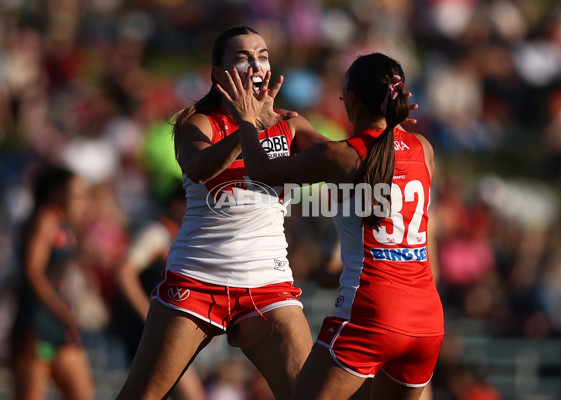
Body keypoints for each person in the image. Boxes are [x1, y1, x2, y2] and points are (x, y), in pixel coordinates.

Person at [217, 52, 445, 399]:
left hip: (372, 309)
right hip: (427, 319)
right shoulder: (424, 149)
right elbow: (377, 157)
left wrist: (247, 120)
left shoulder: (344, 156)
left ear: (351, 99)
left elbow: (262, 170)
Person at [116, 25, 327, 400]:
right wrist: (247, 126)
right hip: (197, 278)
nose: (256, 64)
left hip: (267, 282)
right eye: (243, 57)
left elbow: (335, 157)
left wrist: (381, 130)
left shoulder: (290, 123)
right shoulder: (196, 123)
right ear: (218, 74)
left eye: (262, 56)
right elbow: (199, 167)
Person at [10, 164, 94, 400]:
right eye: (78, 194)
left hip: (60, 326)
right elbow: (32, 272)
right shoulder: (45, 218)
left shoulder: (64, 225)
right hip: (36, 324)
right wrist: (61, 310)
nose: (83, 201)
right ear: (57, 192)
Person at [114, 185, 206, 400]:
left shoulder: (183, 237)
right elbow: (124, 273)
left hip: (169, 327)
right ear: (177, 205)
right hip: (149, 330)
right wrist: (147, 314)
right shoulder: (157, 233)